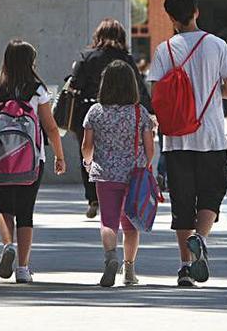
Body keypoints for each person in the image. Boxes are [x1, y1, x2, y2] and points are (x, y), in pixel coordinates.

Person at [148, 0, 227, 287]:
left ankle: (185, 268)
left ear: (170, 18)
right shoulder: (217, 45)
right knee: (212, 194)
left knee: (182, 203)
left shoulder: (164, 50)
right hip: (212, 136)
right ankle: (200, 238)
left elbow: (156, 96)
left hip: (176, 139)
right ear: (196, 12)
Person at [0, 40, 68, 284]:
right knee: (26, 213)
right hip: (32, 160)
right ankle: (23, 268)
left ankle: (7, 245)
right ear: (30, 63)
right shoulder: (37, 90)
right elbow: (51, 127)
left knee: (4, 208)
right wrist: (59, 156)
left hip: (1, 159)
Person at [81, 60, 155, 287]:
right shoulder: (140, 112)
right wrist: (145, 165)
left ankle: (110, 258)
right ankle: (129, 270)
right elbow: (149, 148)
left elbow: (86, 145)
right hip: (133, 175)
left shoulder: (95, 111)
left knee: (108, 222)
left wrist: (88, 161)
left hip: (105, 175)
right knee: (130, 224)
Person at [70, 19, 152, 219]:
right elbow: (140, 87)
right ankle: (122, 194)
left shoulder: (87, 57)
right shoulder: (127, 59)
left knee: (88, 152)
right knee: (120, 151)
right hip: (124, 112)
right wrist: (149, 111)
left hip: (90, 110)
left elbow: (75, 84)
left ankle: (93, 197)